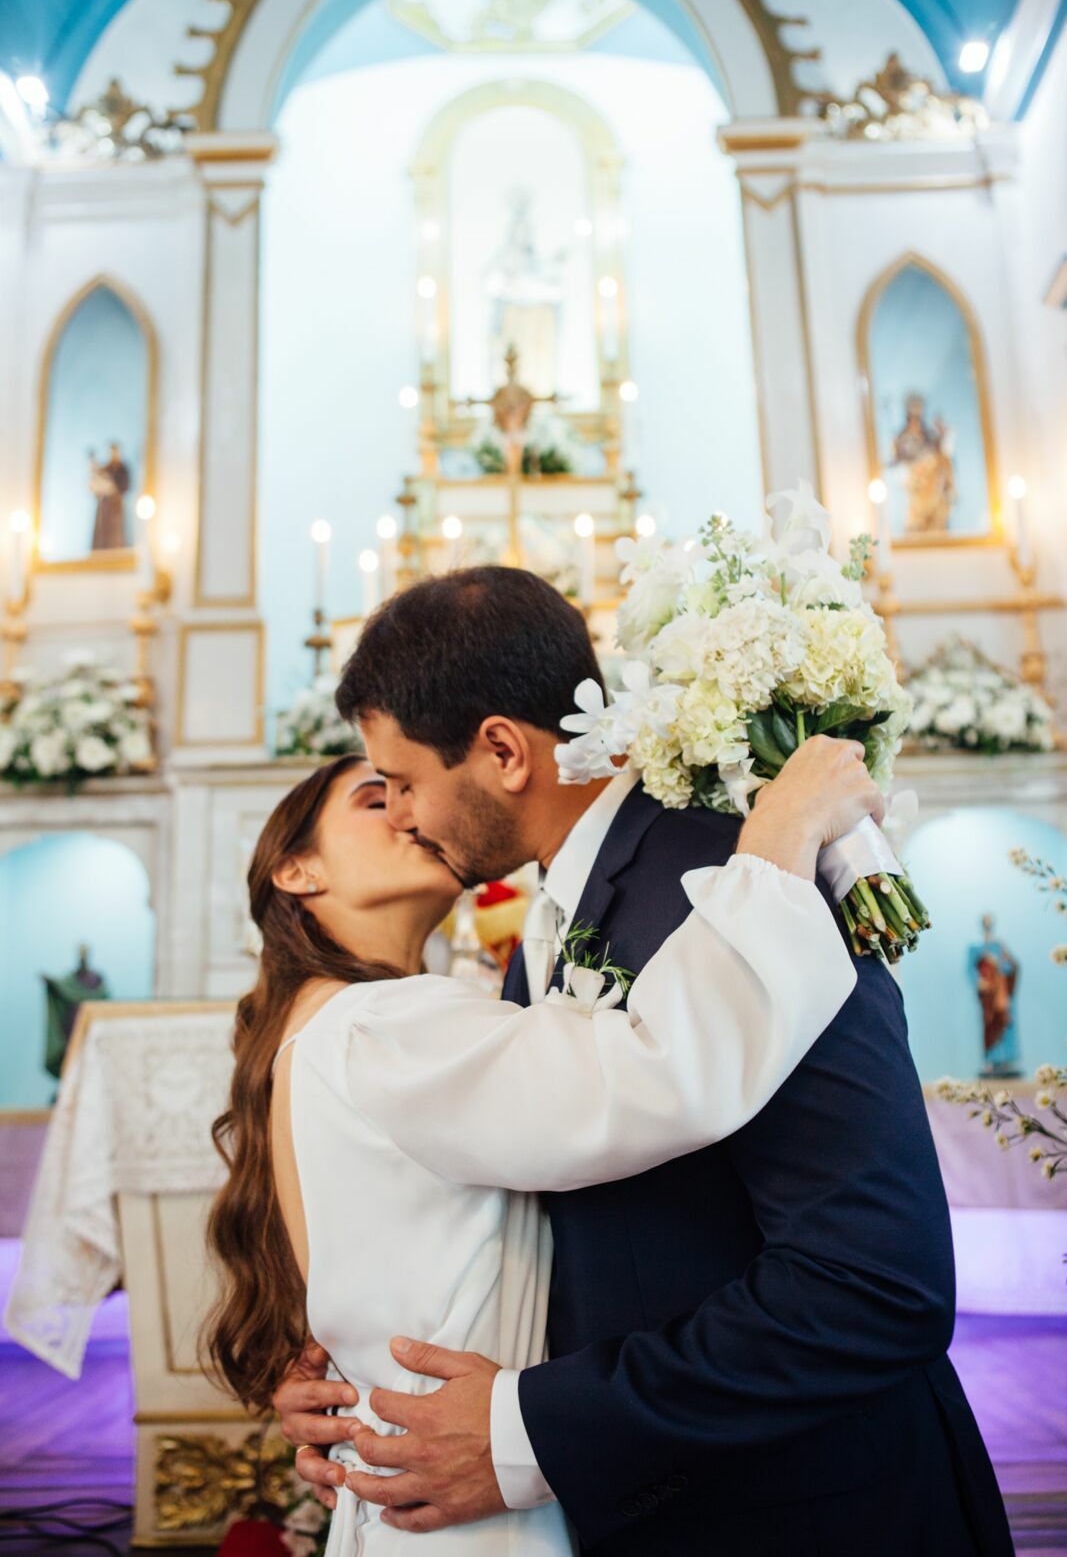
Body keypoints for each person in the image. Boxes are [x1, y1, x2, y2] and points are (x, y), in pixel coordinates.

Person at [278, 568, 1013, 1557]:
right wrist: (364, 1384)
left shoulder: (743, 885)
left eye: (401, 782)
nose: (401, 815)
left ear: (502, 751)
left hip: (814, 1517)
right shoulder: (541, 930)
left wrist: (530, 1430)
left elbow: (872, 1284)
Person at [207, 738, 866, 1556]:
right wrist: (776, 841)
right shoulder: (376, 1026)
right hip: (471, 1503)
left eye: (406, 787)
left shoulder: (334, 1026)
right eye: (376, 799)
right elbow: (657, 1078)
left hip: (428, 1482)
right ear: (297, 871)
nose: (408, 811)